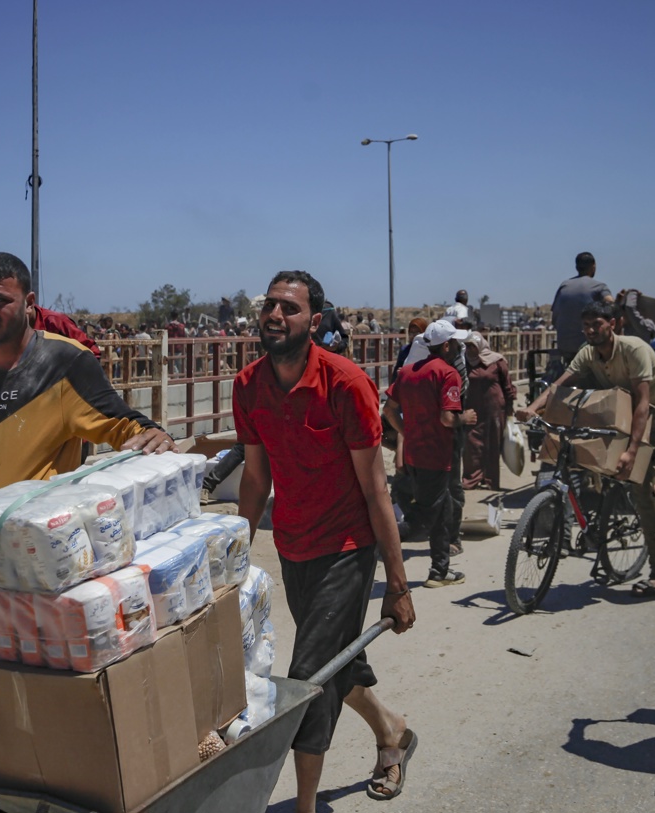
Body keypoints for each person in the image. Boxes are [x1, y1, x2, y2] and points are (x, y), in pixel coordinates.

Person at [0, 251, 174, 747]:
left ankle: (46, 770)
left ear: (29, 303)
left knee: (30, 675)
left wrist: (152, 434)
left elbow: (116, 419)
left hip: (31, 552)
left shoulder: (66, 362)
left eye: (1, 300)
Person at [234, 270, 415, 810]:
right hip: (293, 546)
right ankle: (392, 731)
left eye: (288, 308)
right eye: (269, 305)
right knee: (337, 662)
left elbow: (376, 489)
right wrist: (235, 559)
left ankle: (304, 804)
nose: (274, 315)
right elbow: (254, 479)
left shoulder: (346, 384)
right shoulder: (249, 385)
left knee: (310, 674)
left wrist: (398, 584)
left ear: (313, 320)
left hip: (347, 548)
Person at [518, 301, 655, 600]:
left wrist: (632, 451)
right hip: (633, 419)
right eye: (586, 326)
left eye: (596, 324)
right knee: (640, 496)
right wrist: (532, 408)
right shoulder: (588, 352)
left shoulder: (633, 349)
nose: (590, 331)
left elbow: (643, 402)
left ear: (614, 324)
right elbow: (559, 386)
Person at [384, 320, 477, 583]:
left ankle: (440, 570)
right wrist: (465, 417)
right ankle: (380, 539)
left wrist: (406, 432)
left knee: (442, 510)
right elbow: (448, 419)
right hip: (436, 456)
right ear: (446, 345)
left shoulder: (407, 372)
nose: (459, 346)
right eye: (456, 342)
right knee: (426, 515)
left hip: (414, 452)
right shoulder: (448, 374)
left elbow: (388, 410)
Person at [461, 332, 517, 490]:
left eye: (473, 346)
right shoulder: (464, 362)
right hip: (472, 407)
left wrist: (510, 406)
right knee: (472, 442)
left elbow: (507, 384)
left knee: (493, 442)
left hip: (494, 407)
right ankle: (471, 479)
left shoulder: (496, 361)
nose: (470, 349)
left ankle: (491, 479)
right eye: (467, 346)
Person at [550, 251, 614, 364]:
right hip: (589, 349)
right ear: (593, 266)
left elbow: (554, 319)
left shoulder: (564, 285)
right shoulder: (599, 286)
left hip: (565, 348)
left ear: (576, 267)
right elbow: (612, 305)